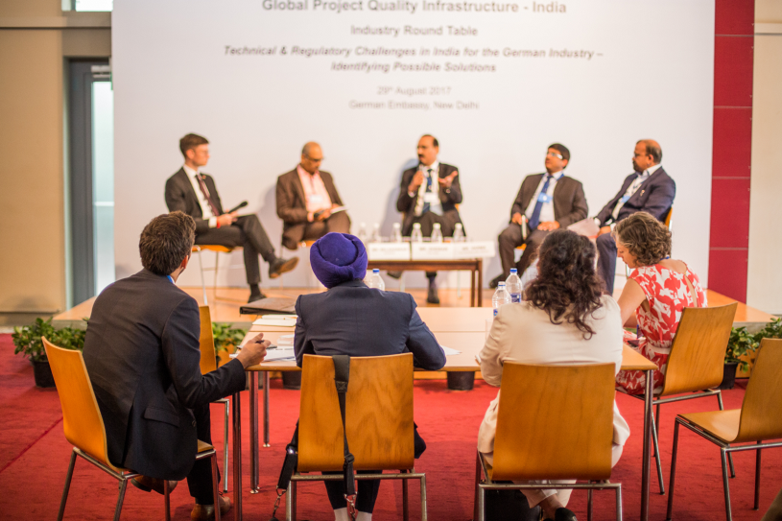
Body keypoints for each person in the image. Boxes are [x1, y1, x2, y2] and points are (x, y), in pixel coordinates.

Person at [82, 212, 269, 521]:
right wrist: (242, 362)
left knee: (186, 394)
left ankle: (205, 501)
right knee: (196, 404)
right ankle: (202, 498)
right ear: (186, 259)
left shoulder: (110, 291)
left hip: (98, 423)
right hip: (135, 438)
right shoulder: (178, 303)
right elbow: (193, 391)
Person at [478, 230, 630, 521]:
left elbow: (492, 376)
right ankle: (555, 510)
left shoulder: (512, 316)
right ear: (591, 268)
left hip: (520, 442)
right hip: (594, 441)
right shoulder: (610, 312)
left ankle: (550, 507)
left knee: (526, 432)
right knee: (570, 426)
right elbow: (615, 368)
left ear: (540, 267)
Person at [293, 232, 446, 521]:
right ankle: (364, 515)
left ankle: (340, 514)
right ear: (363, 264)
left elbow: (304, 360)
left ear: (319, 270)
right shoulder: (401, 304)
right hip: (388, 431)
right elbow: (436, 360)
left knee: (332, 412)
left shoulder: (308, 307)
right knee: (373, 408)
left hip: (325, 432)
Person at [165, 133, 298, 302]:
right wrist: (216, 221)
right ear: (190, 153)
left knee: (251, 219)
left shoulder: (208, 179)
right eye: (204, 152)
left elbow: (217, 209)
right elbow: (181, 223)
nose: (208, 155)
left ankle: (271, 264)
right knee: (248, 236)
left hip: (217, 224)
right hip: (199, 232)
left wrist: (224, 215)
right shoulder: (174, 182)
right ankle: (261, 281)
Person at [614, 212, 706, 394]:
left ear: (636, 249)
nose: (618, 256)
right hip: (695, 366)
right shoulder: (687, 269)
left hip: (657, 372)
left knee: (594, 348)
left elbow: (613, 324)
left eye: (622, 250)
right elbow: (664, 322)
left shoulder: (643, 276)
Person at [490, 143, 588, 288]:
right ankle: (511, 278)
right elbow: (517, 204)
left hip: (547, 227)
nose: (548, 156)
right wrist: (516, 214)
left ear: (564, 162)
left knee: (536, 242)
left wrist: (557, 223)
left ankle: (510, 279)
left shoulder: (573, 185)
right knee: (505, 236)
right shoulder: (530, 179)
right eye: (547, 153)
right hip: (524, 224)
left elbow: (581, 211)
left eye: (554, 154)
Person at [593, 139, 675, 295]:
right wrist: (596, 222)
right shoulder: (632, 178)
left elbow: (649, 216)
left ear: (650, 158)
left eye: (637, 155)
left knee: (605, 240)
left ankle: (603, 297)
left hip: (638, 233)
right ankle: (579, 295)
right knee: (577, 238)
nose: (633, 158)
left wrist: (612, 228)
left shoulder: (664, 183)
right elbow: (614, 202)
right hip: (617, 226)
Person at [395, 134, 464, 304]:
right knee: (425, 217)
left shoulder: (450, 170)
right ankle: (432, 281)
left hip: (445, 224)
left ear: (436, 149)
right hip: (417, 226)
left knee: (430, 215)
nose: (419, 151)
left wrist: (448, 187)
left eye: (424, 147)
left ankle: (398, 268)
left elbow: (459, 198)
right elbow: (400, 206)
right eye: (418, 148)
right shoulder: (409, 174)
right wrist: (411, 188)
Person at [276, 142, 351, 250]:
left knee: (342, 215)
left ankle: (336, 251)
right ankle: (338, 255)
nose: (319, 164)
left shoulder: (326, 176)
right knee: (338, 233)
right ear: (303, 158)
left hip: (331, 220)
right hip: (306, 224)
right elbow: (283, 211)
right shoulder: (286, 179)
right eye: (315, 160)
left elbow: (339, 203)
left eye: (321, 160)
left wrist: (334, 207)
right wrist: (311, 215)